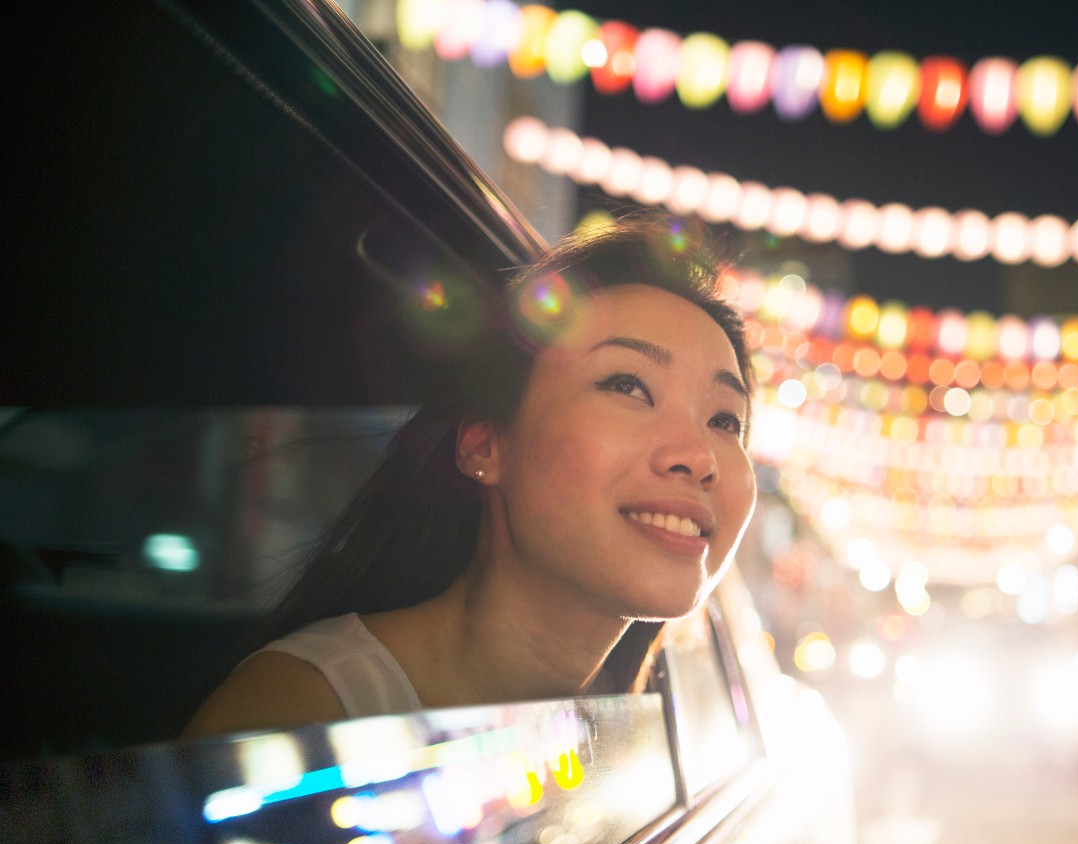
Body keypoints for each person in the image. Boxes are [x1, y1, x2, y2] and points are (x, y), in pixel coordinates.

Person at [185, 215, 756, 736]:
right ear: (484, 444)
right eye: (628, 386)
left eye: (725, 420)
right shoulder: (297, 716)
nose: (699, 455)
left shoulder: (639, 729)